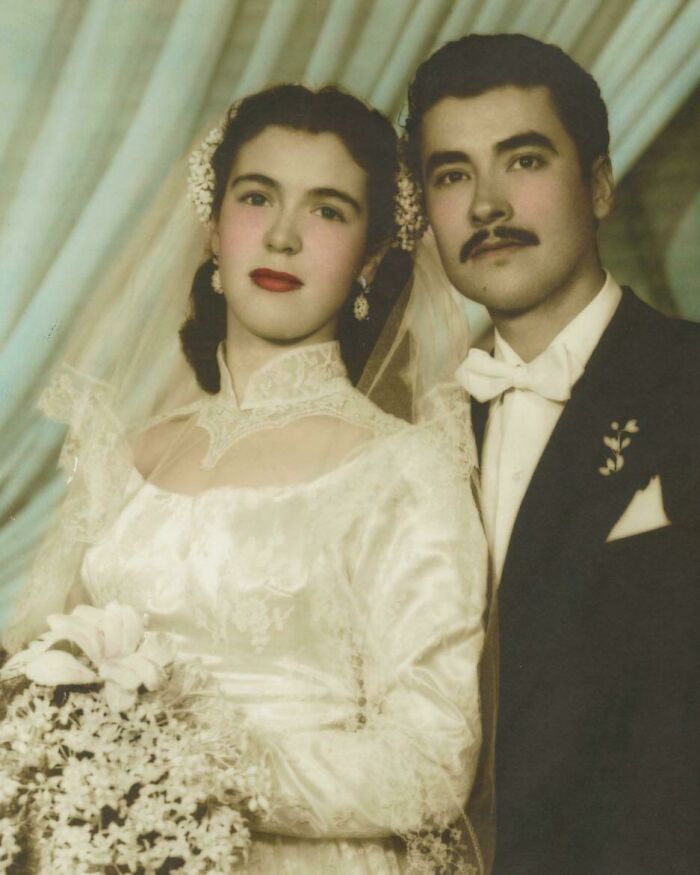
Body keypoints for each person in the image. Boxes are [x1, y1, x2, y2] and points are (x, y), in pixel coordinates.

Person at [2, 84, 490, 873]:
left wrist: (188, 767)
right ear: (213, 228)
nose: (285, 236)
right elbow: (33, 680)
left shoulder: (406, 469)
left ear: (369, 258)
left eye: (328, 210)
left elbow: (432, 765)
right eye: (257, 197)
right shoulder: (123, 459)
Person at [403, 33, 700, 875]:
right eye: (453, 174)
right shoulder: (418, 442)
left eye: (522, 159)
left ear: (599, 186)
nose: (487, 205)